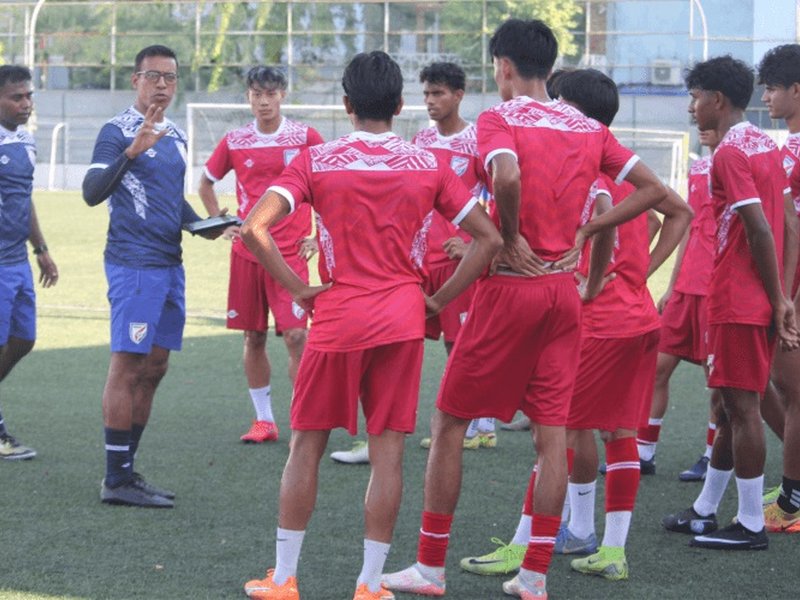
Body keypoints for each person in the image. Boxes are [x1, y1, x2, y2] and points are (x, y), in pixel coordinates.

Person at [383, 20, 667, 600]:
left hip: (511, 288)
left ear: (504, 66)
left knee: (449, 424)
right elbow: (653, 192)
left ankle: (430, 568)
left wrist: (510, 236)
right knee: (552, 436)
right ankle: (534, 575)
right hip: (564, 293)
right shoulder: (588, 126)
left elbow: (506, 173)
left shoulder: (501, 117)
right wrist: (586, 230)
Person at [240, 51, 501, 600]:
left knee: (305, 448)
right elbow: (489, 239)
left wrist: (296, 287)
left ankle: (285, 578)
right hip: (402, 319)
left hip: (336, 317)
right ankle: (368, 585)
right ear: (402, 105)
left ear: (346, 104)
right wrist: (438, 299)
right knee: (388, 454)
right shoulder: (427, 163)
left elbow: (254, 228)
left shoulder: (319, 159)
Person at [457, 68, 691, 583]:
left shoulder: (584, 174)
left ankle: (531, 544)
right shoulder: (621, 170)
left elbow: (603, 219)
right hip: (636, 317)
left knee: (556, 434)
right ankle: (605, 545)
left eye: (559, 101)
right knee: (617, 433)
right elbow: (675, 213)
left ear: (573, 111)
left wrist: (593, 272)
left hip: (599, 320)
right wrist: (641, 276)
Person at [662, 55, 799, 550]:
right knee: (726, 405)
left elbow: (761, 227)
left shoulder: (728, 154)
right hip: (755, 297)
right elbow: (789, 224)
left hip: (738, 299)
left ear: (717, 100)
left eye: (695, 99)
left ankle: (750, 525)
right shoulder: (766, 145)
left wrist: (777, 297)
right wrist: (782, 296)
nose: (692, 110)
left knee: (742, 408)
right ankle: (704, 510)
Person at [329, 61, 493, 465]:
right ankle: (381, 435)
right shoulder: (419, 139)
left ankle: (481, 426)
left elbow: (496, 203)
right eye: (426, 95)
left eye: (439, 94)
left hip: (458, 261)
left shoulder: (477, 142)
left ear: (459, 95)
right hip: (416, 263)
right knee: (397, 345)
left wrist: (470, 242)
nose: (432, 102)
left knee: (463, 343)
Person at [82, 45, 217, 508]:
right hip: (134, 265)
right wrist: (131, 152)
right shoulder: (115, 131)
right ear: (136, 80)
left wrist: (203, 224)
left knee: (156, 367)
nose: (162, 84)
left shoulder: (175, 133)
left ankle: (126, 472)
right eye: (153, 75)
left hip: (169, 264)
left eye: (171, 77)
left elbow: (169, 200)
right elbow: (91, 193)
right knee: (127, 366)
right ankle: (115, 480)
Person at [199, 66, 323, 444]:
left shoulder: (305, 136)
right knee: (253, 336)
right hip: (248, 253)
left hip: (290, 253)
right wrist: (221, 222)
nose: (264, 101)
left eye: (270, 93)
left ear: (283, 94)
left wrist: (318, 234)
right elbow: (206, 182)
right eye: (256, 94)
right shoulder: (236, 140)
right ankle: (264, 420)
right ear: (249, 97)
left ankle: (305, 416)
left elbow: (329, 182)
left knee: (297, 336)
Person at [637, 130, 722, 482]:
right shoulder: (700, 167)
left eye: (700, 99)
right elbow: (689, 223)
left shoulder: (740, 160)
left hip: (718, 287)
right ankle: (644, 451)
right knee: (657, 365)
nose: (694, 112)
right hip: (687, 285)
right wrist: (673, 283)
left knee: (717, 379)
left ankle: (712, 456)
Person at [0, 65, 59, 461]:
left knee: (24, 339)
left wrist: (41, 247)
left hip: (18, 260)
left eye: (28, 96)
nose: (26, 103)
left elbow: (25, 198)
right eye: (16, 97)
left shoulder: (27, 142)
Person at [757, 43, 800, 532]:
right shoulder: (777, 146)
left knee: (791, 389)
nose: (765, 97)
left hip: (791, 284)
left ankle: (791, 501)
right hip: (778, 282)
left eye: (772, 88)